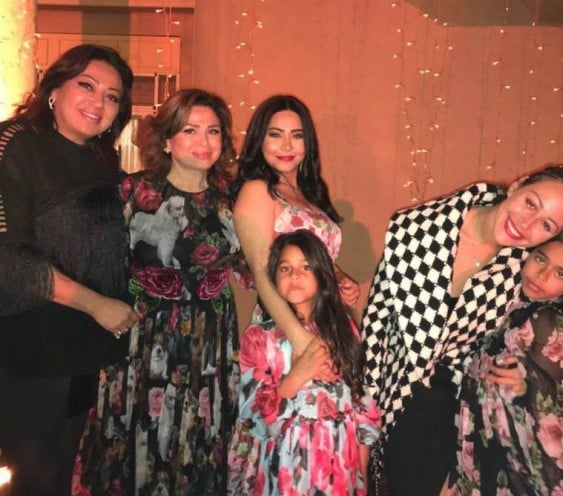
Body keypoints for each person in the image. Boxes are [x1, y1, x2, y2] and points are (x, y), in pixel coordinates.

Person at [361, 165, 563, 495]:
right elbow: (376, 326)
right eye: (531, 203)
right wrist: (364, 414)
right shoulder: (417, 227)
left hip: (457, 412)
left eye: (546, 225)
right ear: (517, 185)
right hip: (388, 393)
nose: (527, 224)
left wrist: (528, 380)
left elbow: (544, 342)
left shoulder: (522, 265)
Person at [75, 89, 251, 495]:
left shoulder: (235, 196)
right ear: (167, 139)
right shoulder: (132, 192)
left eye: (213, 131)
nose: (204, 141)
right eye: (190, 130)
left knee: (199, 444)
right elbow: (100, 266)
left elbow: (259, 264)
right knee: (141, 439)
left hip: (209, 343)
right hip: (142, 339)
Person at [0, 44, 137, 496]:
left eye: (112, 96)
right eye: (87, 85)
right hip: (24, 347)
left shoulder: (102, 160)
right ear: (54, 89)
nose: (99, 102)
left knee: (60, 477)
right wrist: (97, 304)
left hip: (80, 350)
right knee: (34, 480)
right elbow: (6, 257)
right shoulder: (14, 143)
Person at [227, 94, 359, 491]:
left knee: (332, 426)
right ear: (259, 140)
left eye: (297, 135)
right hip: (284, 330)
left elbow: (310, 253)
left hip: (326, 321)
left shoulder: (309, 191)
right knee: (287, 435)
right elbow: (263, 271)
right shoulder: (257, 190)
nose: (287, 145)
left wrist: (339, 276)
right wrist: (300, 340)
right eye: (275, 134)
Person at [447, 222, 563, 495]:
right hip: (488, 449)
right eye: (541, 259)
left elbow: (546, 401)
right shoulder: (515, 305)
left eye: (560, 273)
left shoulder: (549, 321)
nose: (541, 275)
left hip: (525, 467)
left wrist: (526, 383)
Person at [238, 230, 380, 495]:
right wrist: (297, 376)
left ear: (322, 275)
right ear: (272, 277)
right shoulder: (259, 338)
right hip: (287, 469)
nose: (295, 275)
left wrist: (361, 479)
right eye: (285, 268)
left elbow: (362, 407)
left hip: (341, 467)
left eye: (305, 267)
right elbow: (252, 418)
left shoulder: (342, 329)